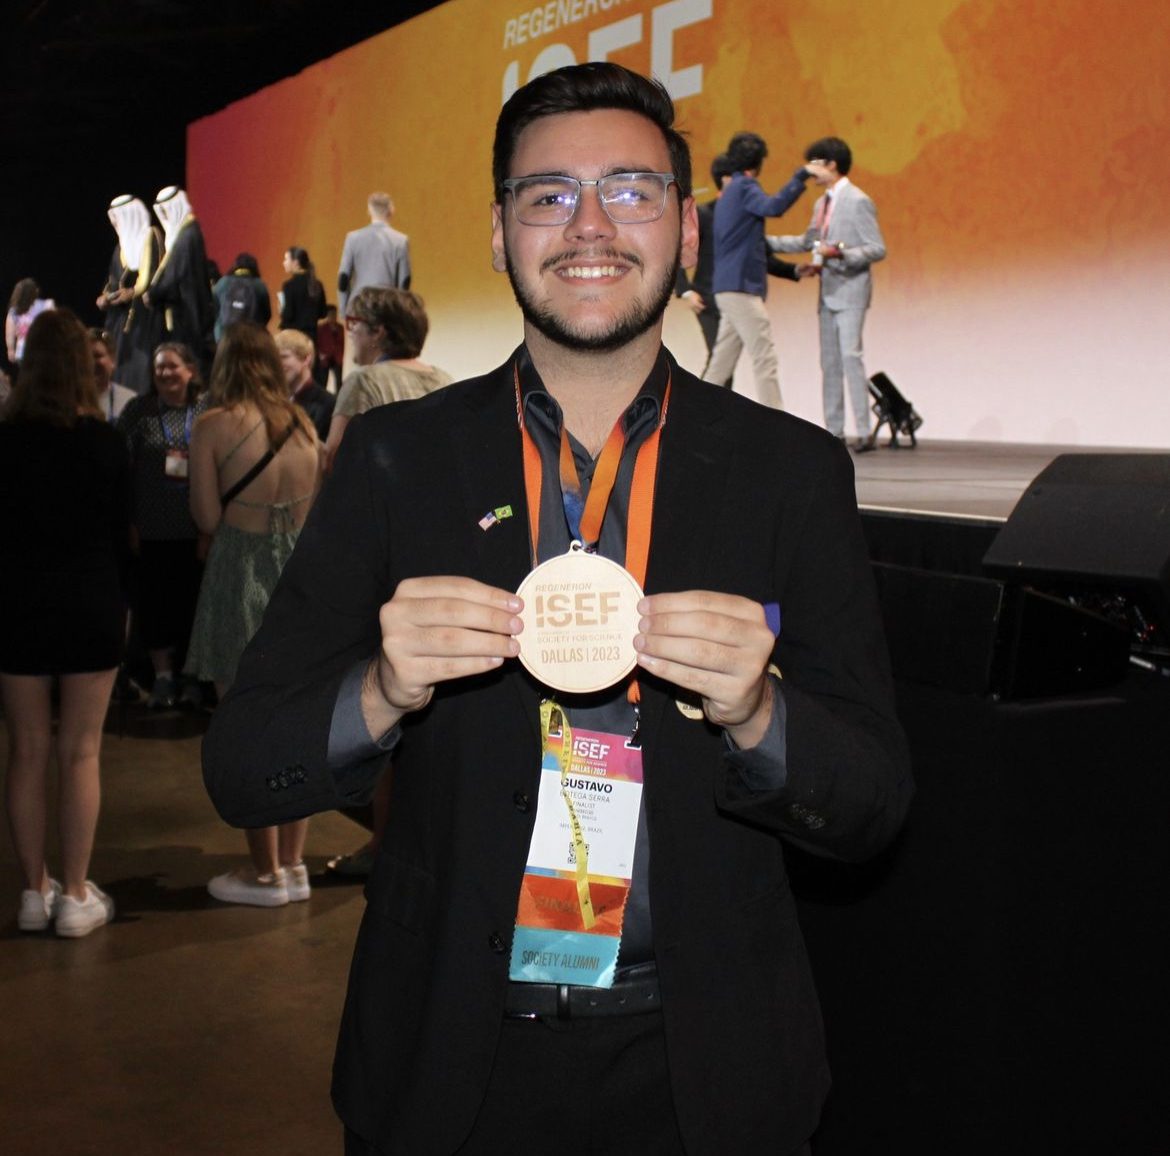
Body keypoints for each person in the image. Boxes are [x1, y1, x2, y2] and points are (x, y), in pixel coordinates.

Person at [203, 62, 911, 1155]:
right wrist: (380, 694)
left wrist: (763, 715)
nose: (590, 226)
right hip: (451, 1066)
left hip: (711, 1072)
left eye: (630, 191)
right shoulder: (399, 463)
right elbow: (245, 764)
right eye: (548, 195)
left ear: (686, 230)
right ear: (498, 233)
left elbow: (871, 801)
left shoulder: (789, 473)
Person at [0, 309, 131, 938]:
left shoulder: (5, 440)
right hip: (90, 602)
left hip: (16, 605)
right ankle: (75, 896)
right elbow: (121, 537)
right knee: (80, 753)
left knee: (25, 750)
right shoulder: (104, 443)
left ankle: (33, 892)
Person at [185, 322, 320, 906]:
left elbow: (207, 518)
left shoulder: (213, 426)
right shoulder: (304, 425)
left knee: (244, 725)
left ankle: (263, 874)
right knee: (299, 726)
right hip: (299, 584)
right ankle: (294, 866)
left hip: (238, 577)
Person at [769, 137, 887, 449]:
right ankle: (834, 431)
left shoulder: (858, 200)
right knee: (830, 362)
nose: (810, 172)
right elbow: (808, 241)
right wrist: (765, 241)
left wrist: (840, 253)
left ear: (830, 164)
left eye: (814, 165)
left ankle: (863, 430)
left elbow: (876, 248)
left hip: (851, 290)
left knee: (851, 357)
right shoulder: (822, 203)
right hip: (827, 292)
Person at [701, 133, 826, 406]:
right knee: (764, 356)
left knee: (721, 362)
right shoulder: (745, 186)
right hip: (740, 287)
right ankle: (775, 419)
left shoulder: (729, 193)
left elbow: (750, 243)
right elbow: (774, 206)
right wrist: (802, 174)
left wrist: (793, 270)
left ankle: (691, 413)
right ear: (758, 163)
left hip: (727, 286)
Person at [116, 342, 209, 710]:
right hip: (151, 530)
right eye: (159, 368)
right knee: (154, 607)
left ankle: (190, 678)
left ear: (190, 370)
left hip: (195, 530)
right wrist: (131, 522)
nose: (165, 373)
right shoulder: (139, 410)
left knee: (190, 606)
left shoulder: (206, 411)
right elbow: (120, 470)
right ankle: (163, 678)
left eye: (172, 366)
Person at [678, 152, 808, 372]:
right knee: (732, 359)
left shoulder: (743, 214)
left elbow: (759, 253)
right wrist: (686, 291)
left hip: (734, 292)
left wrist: (793, 270)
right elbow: (678, 251)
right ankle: (710, 405)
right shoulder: (704, 214)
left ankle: (710, 405)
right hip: (707, 298)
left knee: (722, 362)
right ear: (727, 179)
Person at [323, 286, 451, 468]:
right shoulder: (444, 379)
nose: (349, 332)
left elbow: (334, 457)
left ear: (378, 332)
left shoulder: (364, 381)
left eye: (353, 322)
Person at [145, 186, 216, 378]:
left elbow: (173, 276)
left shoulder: (187, 235)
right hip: (185, 313)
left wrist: (152, 294)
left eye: (167, 212)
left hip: (184, 316)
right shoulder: (189, 233)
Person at [97, 194, 164, 394]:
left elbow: (152, 276)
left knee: (139, 373)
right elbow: (112, 280)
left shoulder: (150, 237)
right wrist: (104, 297)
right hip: (117, 321)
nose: (115, 224)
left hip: (142, 320)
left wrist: (133, 292)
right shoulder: (121, 246)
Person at [336, 191, 411, 317]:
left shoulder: (353, 238)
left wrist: (344, 310)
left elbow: (343, 278)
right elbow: (404, 280)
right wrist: (399, 311)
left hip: (358, 305)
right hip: (387, 307)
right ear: (391, 210)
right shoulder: (401, 240)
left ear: (369, 211)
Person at [275, 328, 334, 442]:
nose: (278, 364)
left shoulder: (328, 405)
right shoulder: (274, 401)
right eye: (275, 358)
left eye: (284, 357)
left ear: (306, 359)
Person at [212, 252, 273, 341]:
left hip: (224, 337)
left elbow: (214, 310)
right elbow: (267, 314)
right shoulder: (259, 285)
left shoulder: (223, 283)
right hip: (252, 338)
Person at [279, 247, 326, 343]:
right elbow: (323, 313)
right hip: (312, 338)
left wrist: (281, 311)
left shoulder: (289, 285)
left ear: (296, 263)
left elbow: (288, 315)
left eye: (286, 259)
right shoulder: (317, 284)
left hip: (294, 338)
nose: (284, 263)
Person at [5, 278, 55, 368]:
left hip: (23, 352)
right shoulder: (47, 305)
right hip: (44, 350)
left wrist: (10, 349)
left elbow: (9, 333)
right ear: (35, 291)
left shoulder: (14, 311)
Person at [89, 328, 135, 422]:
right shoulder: (67, 401)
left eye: (97, 356)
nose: (91, 362)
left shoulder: (130, 402)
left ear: (113, 361)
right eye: (86, 356)